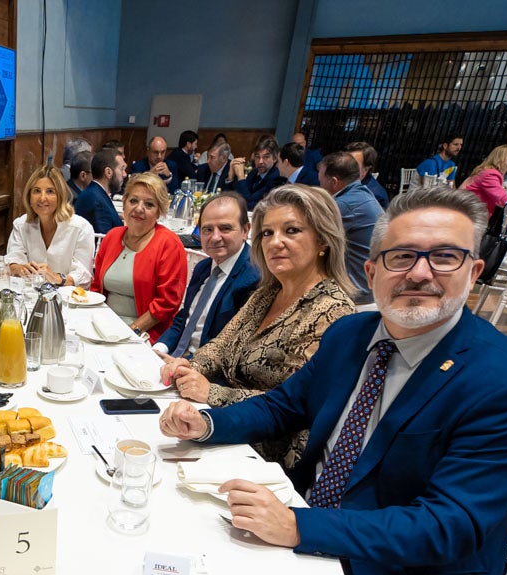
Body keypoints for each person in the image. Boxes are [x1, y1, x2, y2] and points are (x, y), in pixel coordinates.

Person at [159, 186, 507, 575]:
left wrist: (301, 528)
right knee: (173, 566)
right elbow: (287, 404)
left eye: (444, 257)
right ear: (372, 272)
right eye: (401, 257)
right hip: (307, 517)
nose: (419, 272)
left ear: (473, 272)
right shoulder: (353, 334)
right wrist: (209, 423)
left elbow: (447, 526)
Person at [160, 185, 356, 467]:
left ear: (323, 240)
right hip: (225, 429)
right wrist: (190, 366)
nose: (275, 242)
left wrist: (211, 393)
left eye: (291, 230)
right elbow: (221, 344)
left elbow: (294, 406)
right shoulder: (267, 293)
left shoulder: (334, 312)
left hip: (270, 456)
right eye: (267, 233)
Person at [152, 191, 259, 358]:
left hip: (204, 369)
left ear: (245, 230)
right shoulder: (203, 267)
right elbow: (184, 319)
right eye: (207, 229)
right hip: (175, 357)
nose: (215, 237)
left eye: (225, 228)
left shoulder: (254, 279)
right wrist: (159, 348)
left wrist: (184, 364)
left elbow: (232, 349)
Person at [90, 172, 186, 341]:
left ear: (159, 212)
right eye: (133, 201)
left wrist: (128, 332)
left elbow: (166, 304)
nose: (139, 208)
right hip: (104, 326)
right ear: (124, 204)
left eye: (149, 204)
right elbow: (96, 288)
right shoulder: (112, 236)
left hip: (144, 334)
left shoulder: (169, 244)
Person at [4, 165, 96, 287]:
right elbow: (13, 258)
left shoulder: (81, 228)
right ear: (29, 197)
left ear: (61, 196)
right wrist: (18, 268)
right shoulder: (21, 224)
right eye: (36, 191)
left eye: (50, 191)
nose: (42, 198)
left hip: (69, 300)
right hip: (30, 296)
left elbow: (84, 276)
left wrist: (55, 277)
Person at [319, 152, 384, 303]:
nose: (320, 185)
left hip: (356, 292)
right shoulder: (362, 194)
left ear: (334, 182)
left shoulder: (344, 205)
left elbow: (309, 237)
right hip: (371, 285)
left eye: (321, 180)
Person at [461, 144, 507, 218]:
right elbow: (504, 200)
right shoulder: (490, 174)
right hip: (470, 216)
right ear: (505, 159)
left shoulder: (488, 171)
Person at [74, 148, 126, 235]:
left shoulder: (95, 192)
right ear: (108, 172)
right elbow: (105, 239)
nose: (124, 174)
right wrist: (128, 226)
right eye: (122, 169)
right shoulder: (96, 199)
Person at [232, 137, 286, 209]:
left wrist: (241, 177)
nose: (260, 161)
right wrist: (230, 176)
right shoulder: (254, 172)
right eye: (257, 157)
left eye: (266, 157)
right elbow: (237, 195)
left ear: (275, 159)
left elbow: (251, 204)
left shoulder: (276, 179)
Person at [345, 141, 390, 208]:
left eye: (353, 164)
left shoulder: (374, 195)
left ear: (366, 169)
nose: (345, 166)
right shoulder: (342, 181)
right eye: (345, 162)